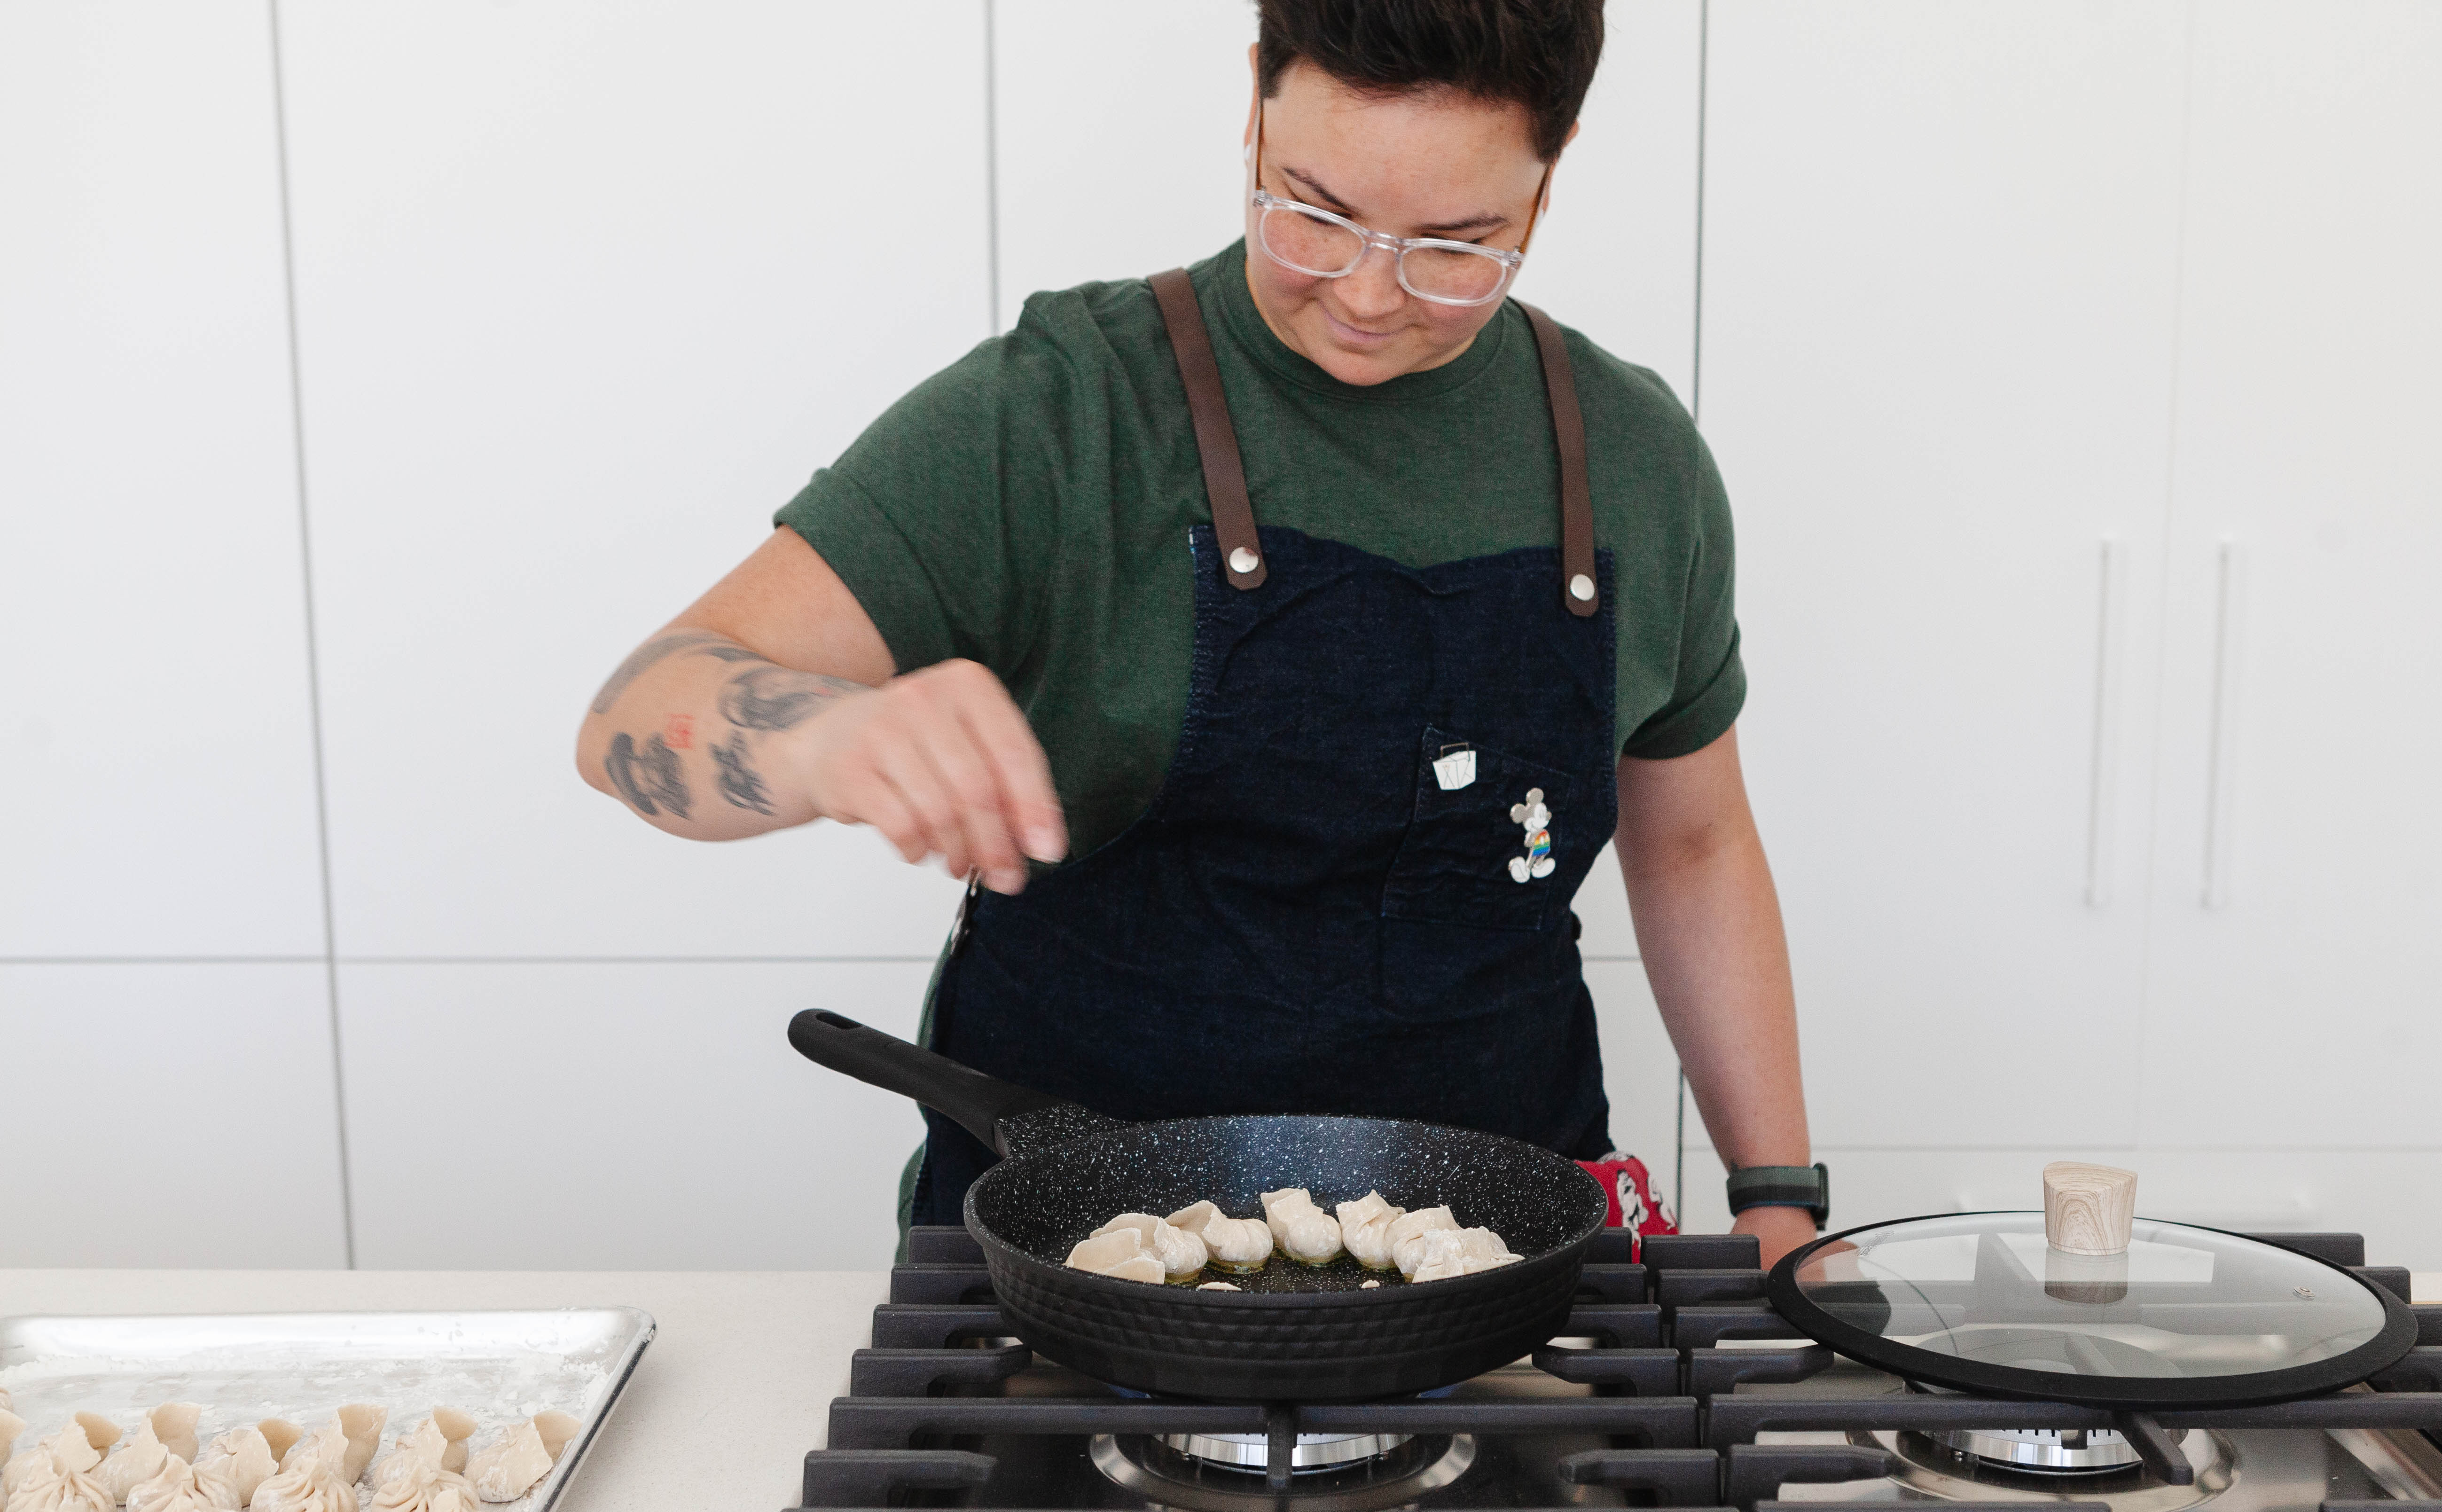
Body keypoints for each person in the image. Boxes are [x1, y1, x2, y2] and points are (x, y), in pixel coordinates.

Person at [576, 0, 1825, 1264]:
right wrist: (821, 735)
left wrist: (1779, 1200)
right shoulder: (1063, 414)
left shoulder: (1636, 459)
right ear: (1254, 107)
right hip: (1067, 1273)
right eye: (1314, 212)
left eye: (1457, 245)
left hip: (1498, 1277)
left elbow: (1698, 846)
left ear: (1546, 185)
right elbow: (636, 712)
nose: (1370, 296)